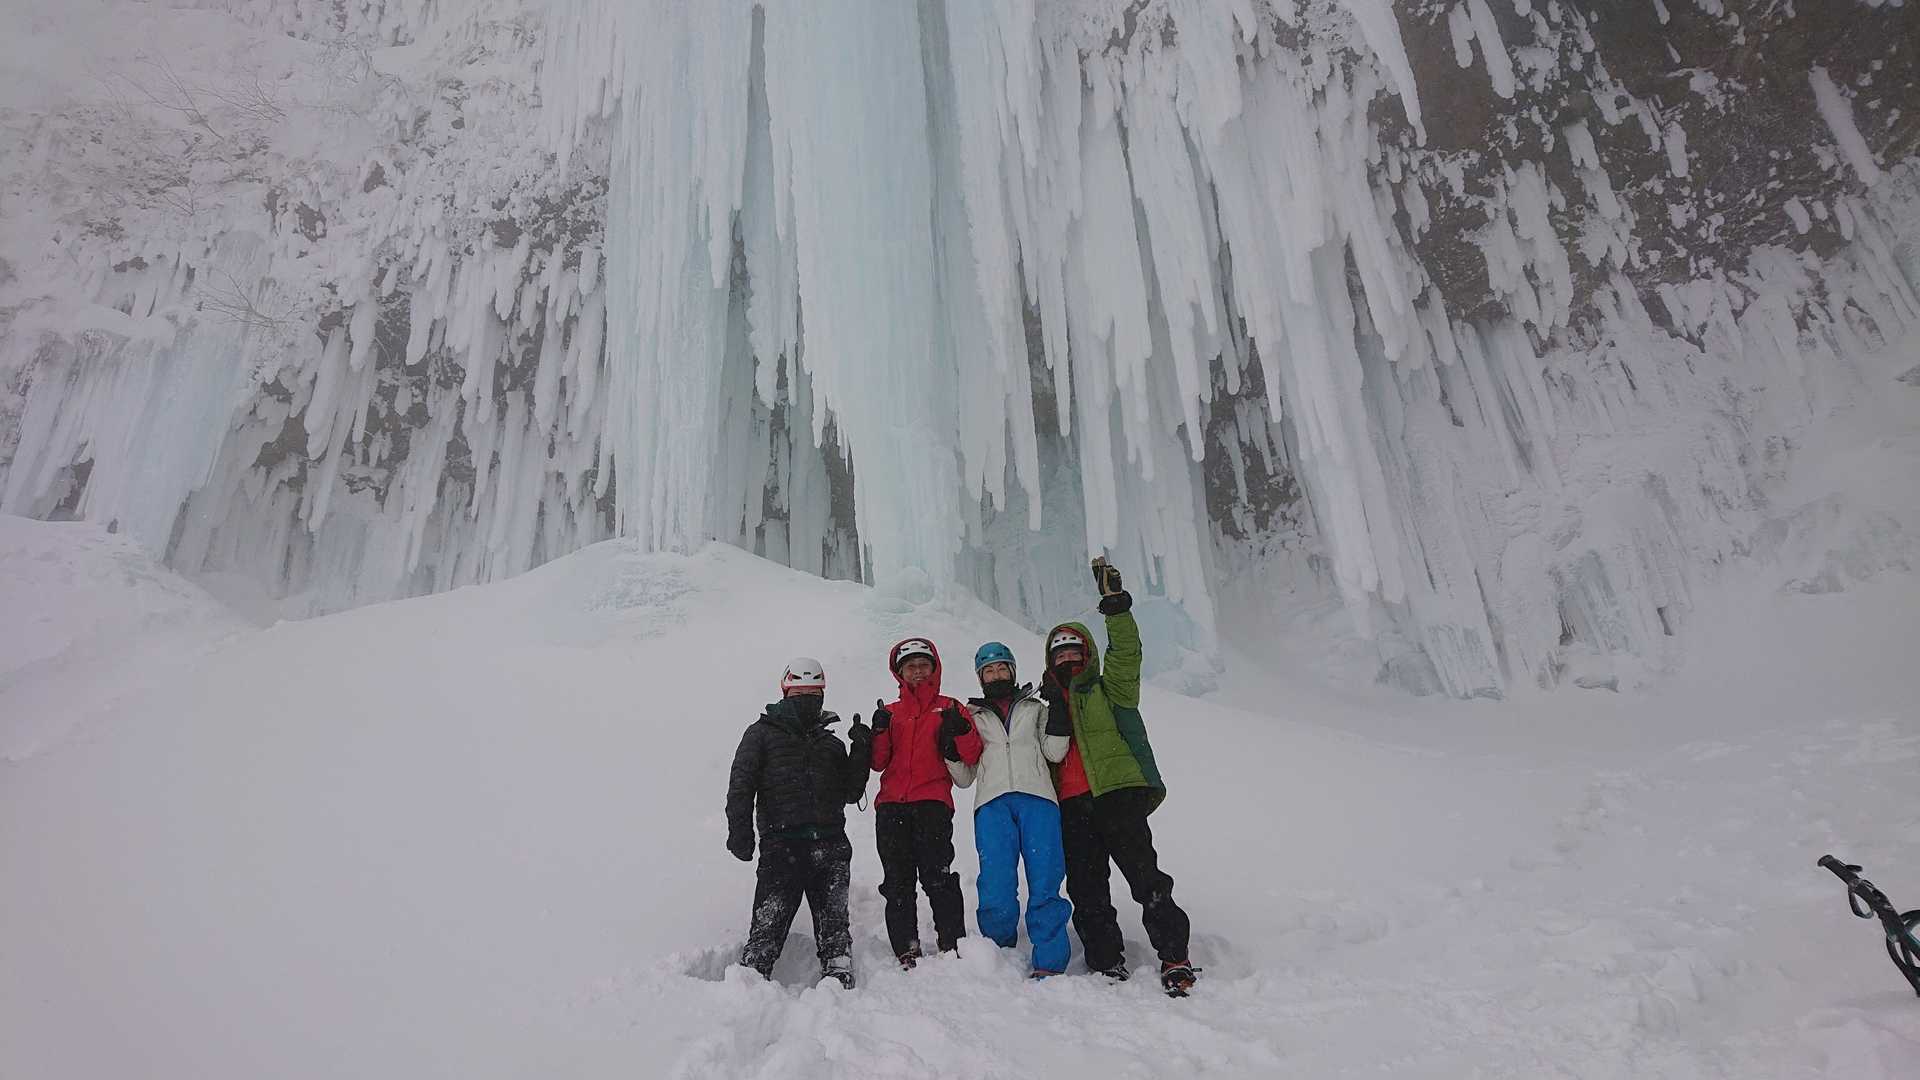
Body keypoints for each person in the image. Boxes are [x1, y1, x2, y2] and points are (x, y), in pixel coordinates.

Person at [1043, 559, 1199, 995]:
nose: (1068, 659)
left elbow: (1126, 656)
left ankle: (1174, 956)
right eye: (1060, 654)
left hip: (1117, 795)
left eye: (1074, 652)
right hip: (1071, 805)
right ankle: (1105, 961)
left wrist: (1116, 607)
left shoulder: (1110, 689)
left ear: (1087, 655)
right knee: (1087, 889)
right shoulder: (1046, 704)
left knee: (1146, 878)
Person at [726, 657, 873, 989]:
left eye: (813, 694)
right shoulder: (760, 735)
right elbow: (741, 785)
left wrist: (861, 749)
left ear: (822, 696)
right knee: (767, 929)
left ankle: (838, 978)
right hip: (782, 846)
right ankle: (750, 985)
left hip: (831, 846)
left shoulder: (832, 744)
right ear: (784, 693)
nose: (806, 700)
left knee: (834, 927)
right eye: (799, 694)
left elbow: (851, 792)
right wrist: (740, 831)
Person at [948, 641, 1073, 977]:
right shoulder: (971, 717)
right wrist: (950, 745)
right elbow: (964, 776)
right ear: (980, 677)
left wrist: (1058, 708)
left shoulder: (1035, 708)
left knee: (1045, 881)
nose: (996, 674)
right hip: (992, 805)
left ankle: (1049, 960)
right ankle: (998, 953)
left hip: (1039, 800)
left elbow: (1055, 751)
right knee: (996, 883)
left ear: (1013, 671)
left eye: (1002, 667)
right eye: (988, 670)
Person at [867, 638, 983, 968]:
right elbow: (878, 762)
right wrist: (877, 733)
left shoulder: (950, 707)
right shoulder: (891, 713)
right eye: (910, 667)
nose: (917, 672)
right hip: (891, 806)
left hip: (932, 803)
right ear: (900, 672)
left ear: (934, 669)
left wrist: (961, 730)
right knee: (897, 881)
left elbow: (972, 754)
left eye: (923, 665)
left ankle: (951, 942)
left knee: (938, 875)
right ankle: (906, 947)